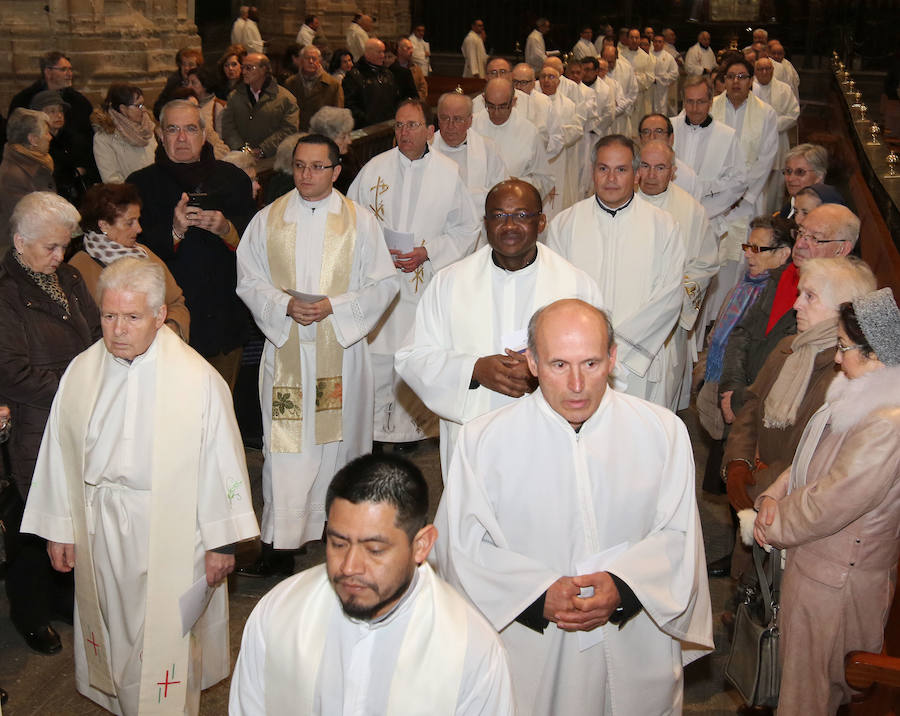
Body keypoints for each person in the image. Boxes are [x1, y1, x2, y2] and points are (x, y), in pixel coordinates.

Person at [434, 298, 714, 715]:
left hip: (636, 638)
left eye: (591, 363)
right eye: (558, 365)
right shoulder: (484, 442)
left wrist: (622, 585)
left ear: (613, 358)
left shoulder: (661, 433)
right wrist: (535, 595)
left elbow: (679, 538)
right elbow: (461, 550)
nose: (577, 385)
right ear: (531, 362)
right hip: (537, 646)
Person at [21, 256, 258, 715]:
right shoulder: (81, 372)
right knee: (113, 632)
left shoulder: (197, 380)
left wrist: (222, 544)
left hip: (171, 531)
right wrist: (59, 528)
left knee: (165, 645)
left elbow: (223, 464)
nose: (118, 330)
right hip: (99, 527)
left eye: (132, 317)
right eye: (109, 316)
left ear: (159, 316)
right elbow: (57, 454)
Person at [230, 453, 516, 714]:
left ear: (422, 544)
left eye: (375, 550)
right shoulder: (281, 613)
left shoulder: (471, 650)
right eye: (338, 543)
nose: (350, 567)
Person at [236, 133, 398, 565]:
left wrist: (334, 307)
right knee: (286, 445)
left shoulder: (360, 221)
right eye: (300, 166)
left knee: (337, 444)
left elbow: (384, 283)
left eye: (317, 167)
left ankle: (339, 534)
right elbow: (248, 279)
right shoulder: (268, 219)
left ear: (336, 170)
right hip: (287, 348)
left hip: (340, 356)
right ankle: (280, 543)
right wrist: (283, 305)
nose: (306, 175)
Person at [753, 287, 900, 715]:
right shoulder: (857, 394)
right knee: (800, 687)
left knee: (811, 698)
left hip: (837, 585)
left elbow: (832, 500)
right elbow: (807, 458)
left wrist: (771, 524)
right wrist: (772, 495)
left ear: (874, 354)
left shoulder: (887, 424)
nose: (837, 358)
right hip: (813, 568)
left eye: (843, 347)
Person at [395, 178, 603, 473]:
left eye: (521, 215)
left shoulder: (575, 285)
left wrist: (541, 374)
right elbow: (412, 357)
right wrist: (474, 370)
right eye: (499, 216)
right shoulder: (450, 282)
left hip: (549, 436)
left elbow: (598, 362)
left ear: (541, 222)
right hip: (475, 440)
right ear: (485, 222)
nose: (509, 226)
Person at [724, 256, 875, 592]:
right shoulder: (788, 348)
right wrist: (737, 462)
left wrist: (765, 485)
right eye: (799, 294)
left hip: (787, 509)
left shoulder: (846, 372)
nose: (796, 305)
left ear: (841, 308)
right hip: (754, 485)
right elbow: (752, 404)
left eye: (810, 296)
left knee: (776, 598)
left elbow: (821, 458)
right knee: (748, 591)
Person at [0, 192, 100, 656]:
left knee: (71, 515)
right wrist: (78, 383)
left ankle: (63, 599)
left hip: (76, 417)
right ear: (20, 242)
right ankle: (29, 614)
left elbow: (96, 335)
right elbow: (13, 374)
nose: (61, 257)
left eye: (64, 246)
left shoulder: (71, 277)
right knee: (31, 524)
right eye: (50, 248)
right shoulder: (6, 292)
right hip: (32, 424)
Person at [349, 100, 480, 451]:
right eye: (399, 125)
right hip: (381, 283)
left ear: (429, 131)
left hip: (423, 284)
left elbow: (467, 228)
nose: (404, 132)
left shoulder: (448, 172)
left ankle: (411, 435)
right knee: (378, 357)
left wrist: (428, 252)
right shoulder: (374, 169)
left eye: (412, 125)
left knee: (415, 354)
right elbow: (351, 221)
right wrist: (377, 251)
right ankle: (375, 432)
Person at [127, 100, 256, 390]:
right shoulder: (140, 185)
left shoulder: (233, 179)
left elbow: (258, 240)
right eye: (173, 129)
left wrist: (227, 229)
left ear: (203, 133)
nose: (182, 138)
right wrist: (173, 231)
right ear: (160, 136)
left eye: (190, 129)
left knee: (221, 410)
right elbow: (134, 252)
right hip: (170, 320)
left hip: (224, 315)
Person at [548, 135, 685, 405]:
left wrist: (616, 349)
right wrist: (589, 349)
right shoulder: (565, 224)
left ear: (636, 174)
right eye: (603, 169)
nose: (611, 178)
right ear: (592, 172)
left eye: (621, 169)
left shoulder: (663, 226)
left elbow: (669, 297)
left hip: (640, 360)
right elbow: (555, 293)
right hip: (580, 359)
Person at [719, 204, 861, 425]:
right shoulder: (779, 277)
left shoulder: (844, 305)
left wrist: (742, 400)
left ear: (841, 249)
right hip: (742, 403)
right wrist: (732, 388)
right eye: (801, 233)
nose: (801, 244)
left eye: (815, 238)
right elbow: (741, 333)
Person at [697, 216, 794, 495]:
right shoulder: (746, 284)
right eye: (748, 246)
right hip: (722, 385)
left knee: (738, 483)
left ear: (784, 254)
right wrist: (703, 372)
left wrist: (734, 393)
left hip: (742, 397)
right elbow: (719, 335)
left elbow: (755, 351)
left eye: (759, 249)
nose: (749, 255)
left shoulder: (775, 295)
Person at [637, 140, 719, 411]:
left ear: (673, 171)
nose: (651, 175)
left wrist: (673, 301)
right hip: (630, 314)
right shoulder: (623, 202)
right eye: (645, 166)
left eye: (660, 168)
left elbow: (705, 266)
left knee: (662, 397)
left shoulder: (691, 210)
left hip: (669, 321)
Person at [70, 182, 190, 341]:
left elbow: (176, 303)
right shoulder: (78, 269)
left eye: (138, 220)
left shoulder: (145, 254)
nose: (139, 229)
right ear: (104, 225)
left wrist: (170, 329)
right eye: (129, 222)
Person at [671, 76, 747, 232]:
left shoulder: (726, 136)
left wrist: (705, 210)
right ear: (683, 101)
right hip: (670, 214)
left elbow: (738, 181)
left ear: (711, 102)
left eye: (701, 102)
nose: (694, 108)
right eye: (689, 101)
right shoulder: (669, 128)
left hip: (708, 217)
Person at [471, 79, 553, 200]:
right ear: (483, 99)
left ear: (514, 102)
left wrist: (520, 185)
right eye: (491, 106)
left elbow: (545, 179)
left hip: (513, 204)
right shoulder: (471, 125)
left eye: (503, 107)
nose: (496, 113)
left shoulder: (529, 132)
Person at [430, 92, 508, 212]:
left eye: (457, 119)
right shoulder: (426, 148)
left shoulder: (488, 149)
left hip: (478, 223)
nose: (450, 126)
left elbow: (500, 193)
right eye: (445, 118)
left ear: (469, 121)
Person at [8, 51, 94, 155]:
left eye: (70, 69)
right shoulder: (24, 100)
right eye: (63, 69)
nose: (70, 74)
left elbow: (89, 135)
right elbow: (15, 137)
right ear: (48, 72)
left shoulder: (79, 102)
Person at [221, 53, 299, 161]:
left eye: (249, 68)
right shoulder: (235, 96)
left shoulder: (285, 99)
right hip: (240, 158)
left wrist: (262, 149)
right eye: (243, 68)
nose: (243, 72)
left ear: (263, 70)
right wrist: (242, 149)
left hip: (272, 160)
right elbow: (227, 125)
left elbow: (289, 129)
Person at [0, 109, 56, 258]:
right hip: (19, 253)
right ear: (33, 140)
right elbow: (29, 222)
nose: (50, 137)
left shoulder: (36, 163)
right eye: (46, 133)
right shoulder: (13, 176)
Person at [30, 89, 98, 206]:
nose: (59, 115)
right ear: (38, 114)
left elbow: (90, 168)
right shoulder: (36, 143)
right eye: (52, 111)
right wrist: (73, 173)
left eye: (61, 111)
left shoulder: (75, 139)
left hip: (80, 199)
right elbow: (51, 175)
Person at [753, 57, 800, 213]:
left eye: (768, 68)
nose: (765, 72)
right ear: (755, 71)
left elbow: (793, 114)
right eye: (760, 69)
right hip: (755, 145)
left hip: (778, 143)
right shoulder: (749, 90)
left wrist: (770, 125)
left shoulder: (784, 89)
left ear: (773, 70)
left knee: (776, 189)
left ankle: (774, 218)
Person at [90, 84, 158, 183]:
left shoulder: (147, 128)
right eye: (138, 105)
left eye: (143, 104)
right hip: (129, 194)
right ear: (123, 109)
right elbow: (111, 179)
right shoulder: (104, 138)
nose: (144, 109)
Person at [637, 113, 701, 200]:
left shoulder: (687, 177)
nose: (652, 137)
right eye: (646, 132)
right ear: (640, 139)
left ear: (671, 139)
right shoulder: (629, 170)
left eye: (659, 131)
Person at [342, 39, 401, 129]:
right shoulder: (354, 76)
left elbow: (395, 98)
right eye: (379, 52)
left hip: (387, 125)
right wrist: (366, 118)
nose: (383, 56)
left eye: (383, 52)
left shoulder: (388, 74)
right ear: (368, 53)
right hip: (365, 127)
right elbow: (349, 104)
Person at [285, 45, 344, 132]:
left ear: (319, 61)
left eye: (314, 59)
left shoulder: (333, 85)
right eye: (307, 58)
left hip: (322, 134)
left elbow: (338, 114)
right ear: (301, 60)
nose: (311, 61)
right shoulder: (290, 83)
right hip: (296, 133)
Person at [308, 107, 360, 194]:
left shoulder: (348, 155)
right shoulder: (316, 166)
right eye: (343, 137)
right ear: (328, 139)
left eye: (349, 134)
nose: (349, 141)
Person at [777, 143, 829, 218]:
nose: (791, 179)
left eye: (800, 172)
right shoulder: (786, 210)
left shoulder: (824, 215)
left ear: (819, 176)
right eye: (788, 171)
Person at [152, 47, 203, 119]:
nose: (186, 68)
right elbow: (158, 108)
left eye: (191, 65)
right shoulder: (174, 83)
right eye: (184, 64)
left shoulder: (203, 84)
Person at [620, 29, 655, 133]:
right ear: (627, 39)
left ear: (640, 39)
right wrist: (635, 76)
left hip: (640, 98)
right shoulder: (621, 56)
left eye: (637, 37)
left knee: (638, 126)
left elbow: (650, 78)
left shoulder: (646, 57)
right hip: (625, 97)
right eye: (632, 37)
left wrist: (634, 78)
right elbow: (620, 77)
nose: (634, 40)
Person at [600, 46, 637, 136]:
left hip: (621, 118)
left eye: (611, 62)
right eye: (605, 60)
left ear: (617, 57)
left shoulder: (626, 69)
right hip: (602, 120)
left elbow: (633, 92)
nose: (608, 65)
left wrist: (620, 108)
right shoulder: (596, 69)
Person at [650, 34, 679, 114]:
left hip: (662, 89)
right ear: (652, 43)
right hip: (650, 88)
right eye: (655, 41)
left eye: (660, 42)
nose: (657, 44)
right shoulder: (648, 55)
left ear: (663, 43)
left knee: (661, 110)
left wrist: (660, 79)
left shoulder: (669, 57)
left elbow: (675, 73)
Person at [394, 38, 428, 102]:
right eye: (408, 48)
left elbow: (423, 88)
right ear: (399, 50)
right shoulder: (393, 68)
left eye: (412, 48)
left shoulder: (416, 69)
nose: (411, 51)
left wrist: (415, 99)